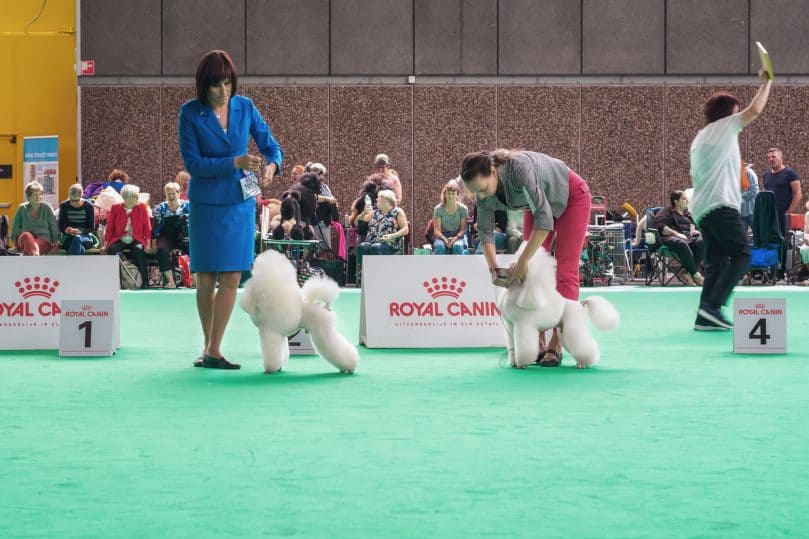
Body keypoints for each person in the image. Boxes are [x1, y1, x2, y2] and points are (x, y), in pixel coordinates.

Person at [179, 49, 283, 370]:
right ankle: (210, 348)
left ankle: (213, 349)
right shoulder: (189, 114)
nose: (224, 91)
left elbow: (271, 146)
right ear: (203, 86)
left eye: (228, 83)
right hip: (206, 202)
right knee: (206, 277)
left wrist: (272, 167)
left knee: (233, 275)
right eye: (216, 85)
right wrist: (235, 162)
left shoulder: (246, 107)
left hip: (241, 201)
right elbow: (193, 164)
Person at [461, 149, 592, 367]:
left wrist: (522, 262)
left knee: (564, 269)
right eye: (476, 192)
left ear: (493, 173)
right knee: (529, 272)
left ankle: (556, 344)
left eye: (483, 189)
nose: (481, 197)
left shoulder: (520, 169)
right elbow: (485, 231)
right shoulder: (482, 192)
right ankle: (535, 341)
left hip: (572, 197)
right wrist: (494, 268)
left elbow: (545, 220)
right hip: (536, 203)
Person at [689, 68, 772, 331]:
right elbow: (754, 110)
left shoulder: (702, 138)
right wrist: (767, 82)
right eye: (735, 111)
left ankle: (705, 317)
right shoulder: (723, 128)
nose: (739, 116)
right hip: (719, 204)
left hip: (703, 208)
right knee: (744, 253)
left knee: (716, 260)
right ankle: (713, 306)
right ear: (727, 114)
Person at [653, 191, 705, 286]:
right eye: (684, 199)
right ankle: (695, 274)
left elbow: (695, 227)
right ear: (676, 201)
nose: (687, 201)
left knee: (703, 242)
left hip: (689, 239)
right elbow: (659, 225)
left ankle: (686, 272)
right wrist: (676, 233)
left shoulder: (687, 214)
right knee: (682, 243)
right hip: (670, 238)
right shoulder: (667, 211)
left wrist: (695, 231)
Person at [105, 184, 152, 288]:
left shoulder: (141, 207)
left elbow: (147, 227)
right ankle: (115, 280)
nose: (137, 197)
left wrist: (148, 245)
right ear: (126, 197)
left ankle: (145, 280)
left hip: (136, 237)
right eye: (135, 196)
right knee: (112, 249)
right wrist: (105, 244)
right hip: (119, 237)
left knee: (139, 249)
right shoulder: (116, 207)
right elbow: (109, 228)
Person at [356, 189, 408, 282]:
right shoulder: (375, 212)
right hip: (372, 241)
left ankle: (380, 275)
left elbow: (405, 229)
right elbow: (358, 222)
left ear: (387, 200)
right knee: (362, 246)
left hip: (390, 243)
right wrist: (363, 213)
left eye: (379, 198)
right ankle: (363, 274)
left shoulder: (397, 212)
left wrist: (392, 236)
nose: (376, 200)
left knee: (376, 247)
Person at [153, 181, 190, 288]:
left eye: (173, 193)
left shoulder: (187, 205)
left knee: (193, 247)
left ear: (178, 193)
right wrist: (154, 242)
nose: (171, 196)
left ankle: (195, 280)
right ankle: (170, 282)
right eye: (169, 194)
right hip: (167, 236)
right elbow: (157, 225)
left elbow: (194, 222)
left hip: (184, 236)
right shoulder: (162, 207)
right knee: (161, 249)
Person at [11, 181, 59, 255]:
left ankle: (32, 256)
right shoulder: (22, 208)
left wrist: (56, 242)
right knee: (26, 235)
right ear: (29, 196)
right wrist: (14, 242)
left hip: (44, 240)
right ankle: (35, 257)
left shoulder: (47, 207)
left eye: (40, 194)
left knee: (31, 248)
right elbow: (15, 226)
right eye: (35, 195)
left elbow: (54, 226)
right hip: (24, 240)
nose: (38, 197)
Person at [763, 148, 801, 237]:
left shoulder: (790, 173)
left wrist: (788, 213)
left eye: (773, 157)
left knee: (783, 244)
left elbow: (798, 194)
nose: (771, 159)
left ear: (781, 158)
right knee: (770, 242)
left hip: (783, 217)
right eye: (769, 158)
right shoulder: (766, 175)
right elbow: (765, 193)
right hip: (769, 216)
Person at [58, 183, 97, 255]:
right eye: (72, 200)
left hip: (85, 237)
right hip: (68, 238)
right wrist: (67, 230)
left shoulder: (89, 206)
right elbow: (61, 225)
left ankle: (73, 265)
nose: (74, 203)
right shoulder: (64, 206)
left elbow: (91, 227)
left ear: (81, 196)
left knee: (77, 239)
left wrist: (81, 231)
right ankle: (78, 264)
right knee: (78, 246)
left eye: (76, 200)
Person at [432, 179, 469, 255]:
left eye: (453, 193)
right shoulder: (438, 209)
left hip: (458, 236)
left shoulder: (463, 209)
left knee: (457, 247)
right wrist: (445, 239)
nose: (450, 196)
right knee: (440, 248)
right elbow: (437, 231)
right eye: (448, 193)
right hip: (442, 236)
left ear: (457, 195)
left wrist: (455, 238)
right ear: (445, 194)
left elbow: (462, 230)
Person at [740, 163, 759, 232]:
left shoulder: (749, 173)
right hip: (740, 213)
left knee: (758, 237)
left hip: (752, 211)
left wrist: (740, 196)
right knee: (741, 238)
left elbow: (754, 190)